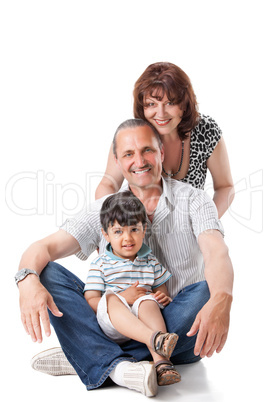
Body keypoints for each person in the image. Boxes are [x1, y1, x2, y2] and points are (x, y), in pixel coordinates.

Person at [16, 119, 234, 397]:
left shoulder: (194, 200)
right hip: (115, 319)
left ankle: (87, 353)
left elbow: (217, 251)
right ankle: (113, 362)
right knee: (45, 273)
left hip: (174, 324)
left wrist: (222, 299)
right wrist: (26, 280)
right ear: (117, 162)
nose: (139, 161)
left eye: (147, 150)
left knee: (207, 291)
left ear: (161, 153)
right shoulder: (104, 210)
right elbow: (43, 247)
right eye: (128, 154)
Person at [95, 62, 234, 218]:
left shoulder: (206, 131)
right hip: (141, 233)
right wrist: (113, 222)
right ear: (142, 107)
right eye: (151, 104)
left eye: (170, 103)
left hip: (189, 234)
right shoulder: (130, 134)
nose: (160, 113)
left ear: (184, 104)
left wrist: (204, 223)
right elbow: (108, 184)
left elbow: (225, 187)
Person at [84, 191, 181, 386]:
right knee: (111, 299)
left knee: (147, 300)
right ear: (106, 234)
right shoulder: (100, 263)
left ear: (144, 229)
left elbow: (162, 290)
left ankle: (162, 363)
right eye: (118, 231)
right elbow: (91, 299)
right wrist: (122, 297)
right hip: (114, 325)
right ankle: (155, 340)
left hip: (143, 319)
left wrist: (161, 297)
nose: (127, 238)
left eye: (134, 229)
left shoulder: (150, 261)